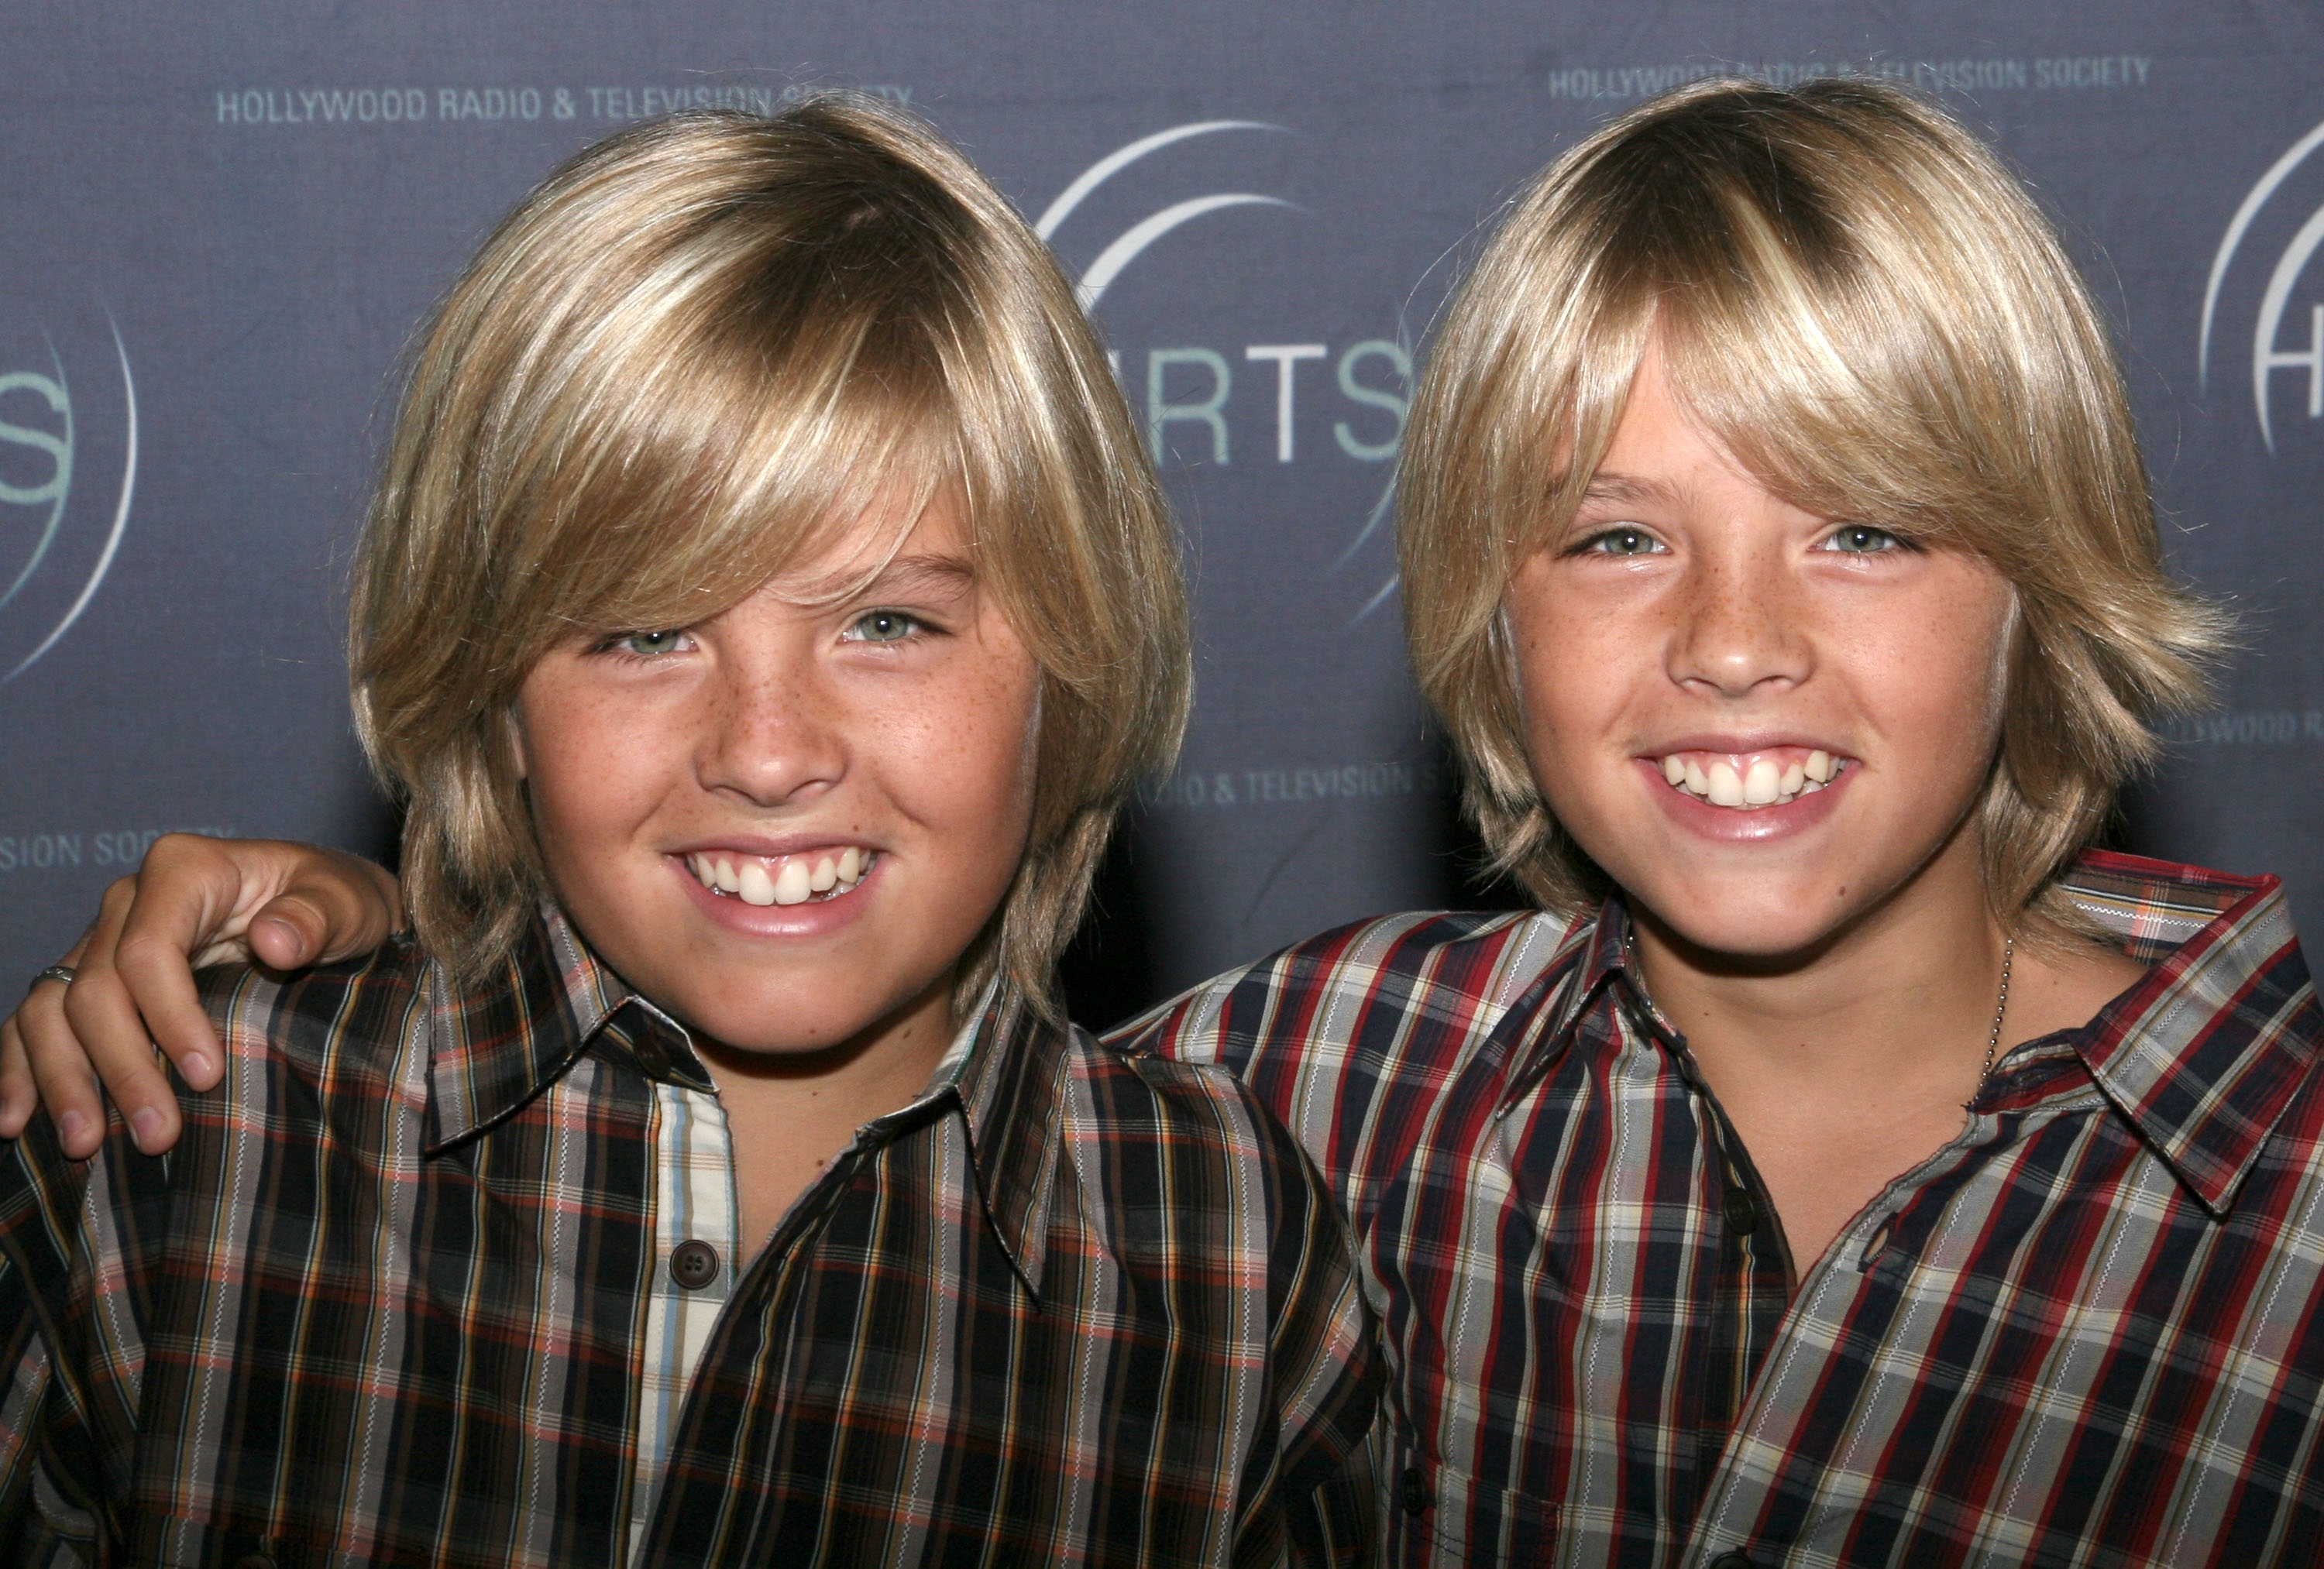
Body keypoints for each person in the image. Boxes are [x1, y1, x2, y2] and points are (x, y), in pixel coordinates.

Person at [12, 75, 2323, 1565]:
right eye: (1615, 538)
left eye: (1872, 531)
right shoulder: (1316, 1090)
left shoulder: (1244, 1233)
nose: (1731, 642)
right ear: (1486, 610)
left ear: (2050, 575)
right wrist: (352, 933)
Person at [0, 99, 1379, 1566]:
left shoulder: (1227, 1261)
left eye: (889, 621)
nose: (768, 752)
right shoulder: (189, 1143)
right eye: (646, 631)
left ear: (1070, 663)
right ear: (496, 698)